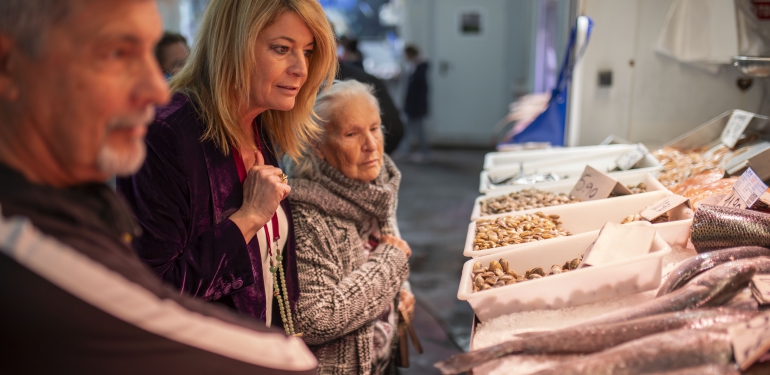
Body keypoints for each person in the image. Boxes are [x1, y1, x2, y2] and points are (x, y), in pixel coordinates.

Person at [0, 0, 316, 373]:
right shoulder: (25, 241)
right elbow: (150, 298)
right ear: (10, 66)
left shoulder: (262, 125)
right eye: (117, 53)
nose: (155, 88)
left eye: (308, 52)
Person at [117, 0, 337, 336]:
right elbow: (151, 291)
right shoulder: (166, 133)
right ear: (233, 45)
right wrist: (248, 218)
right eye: (281, 49)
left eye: (307, 52)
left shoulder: (259, 122)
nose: (301, 69)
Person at [288, 80, 413, 374]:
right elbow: (314, 320)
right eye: (351, 133)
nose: (371, 145)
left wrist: (401, 290)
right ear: (317, 146)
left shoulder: (377, 189)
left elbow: (387, 246)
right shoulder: (306, 215)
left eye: (375, 128)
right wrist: (390, 266)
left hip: (382, 362)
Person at [394, 44, 429, 163]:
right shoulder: (412, 67)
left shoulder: (420, 68)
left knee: (418, 129)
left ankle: (423, 152)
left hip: (417, 105)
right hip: (411, 104)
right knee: (410, 128)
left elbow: (420, 89)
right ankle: (406, 150)